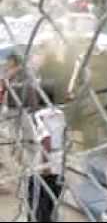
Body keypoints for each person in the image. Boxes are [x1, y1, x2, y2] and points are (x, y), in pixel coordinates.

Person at [23, 93, 66, 222]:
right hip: (58, 162)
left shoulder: (38, 115)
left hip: (42, 165)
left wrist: (45, 165)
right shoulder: (60, 113)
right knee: (51, 202)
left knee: (37, 204)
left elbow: (46, 139)